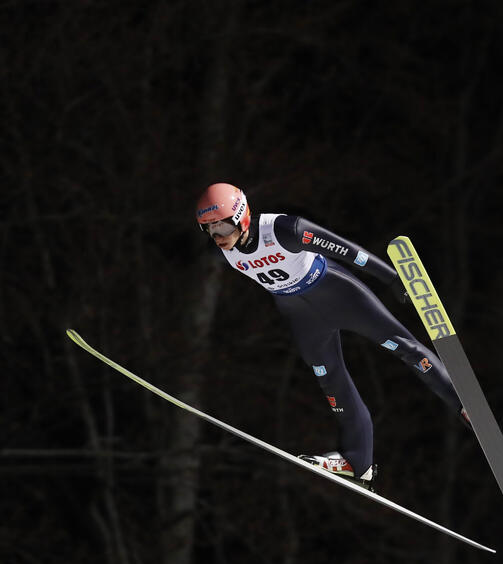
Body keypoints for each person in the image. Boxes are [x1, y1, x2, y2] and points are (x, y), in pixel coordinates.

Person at [195, 182, 469, 491]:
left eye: (221, 226)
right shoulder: (223, 253)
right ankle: (358, 462)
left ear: (242, 216)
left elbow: (349, 251)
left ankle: (462, 404)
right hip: (302, 317)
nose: (218, 237)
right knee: (329, 378)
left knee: (404, 348)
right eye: (209, 229)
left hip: (339, 295)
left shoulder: (285, 229)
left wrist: (392, 278)